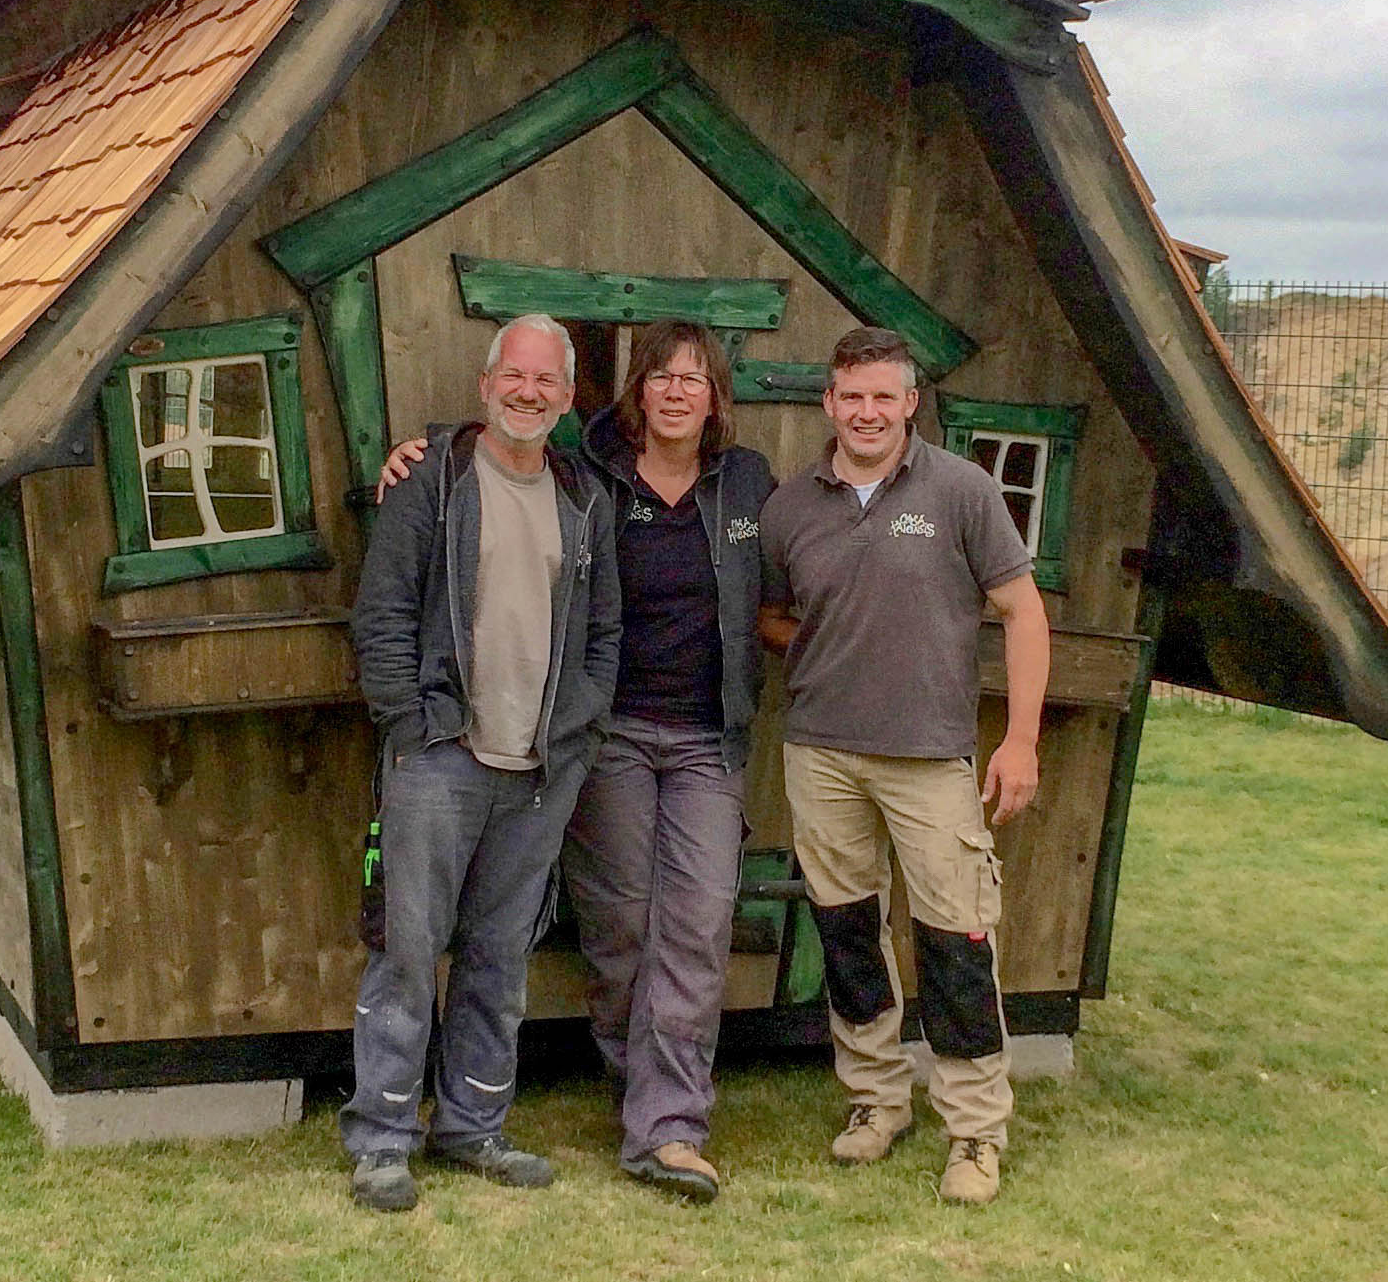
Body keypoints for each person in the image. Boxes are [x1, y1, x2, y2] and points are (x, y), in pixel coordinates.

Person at [379, 320, 774, 1202]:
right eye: (662, 375)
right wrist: (422, 449)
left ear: (716, 396)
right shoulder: (594, 473)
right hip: (610, 736)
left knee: (699, 922)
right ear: (637, 390)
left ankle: (669, 1126)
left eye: (695, 378)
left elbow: (799, 565)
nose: (677, 391)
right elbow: (502, 447)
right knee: (621, 924)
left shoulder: (746, 482)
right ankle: (640, 1095)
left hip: (705, 737)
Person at [758, 325, 1051, 1209]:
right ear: (829, 402)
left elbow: (1023, 611)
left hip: (929, 756)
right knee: (848, 931)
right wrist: (835, 646)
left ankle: (974, 1129)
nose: (867, 411)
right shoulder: (790, 507)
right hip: (822, 752)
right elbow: (772, 615)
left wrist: (1021, 739)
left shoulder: (962, 491)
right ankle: (876, 1099)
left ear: (910, 403)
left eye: (884, 395)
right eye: (852, 395)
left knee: (956, 939)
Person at [341, 313, 621, 1215]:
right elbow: (383, 613)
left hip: (539, 769)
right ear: (485, 383)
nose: (528, 392)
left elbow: (605, 633)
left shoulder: (584, 497)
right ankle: (382, 1140)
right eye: (515, 375)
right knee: (406, 952)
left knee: (501, 959)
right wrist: (411, 725)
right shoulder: (432, 478)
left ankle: (472, 1126)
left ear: (567, 397)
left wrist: (577, 731)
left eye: (546, 381)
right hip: (439, 757)